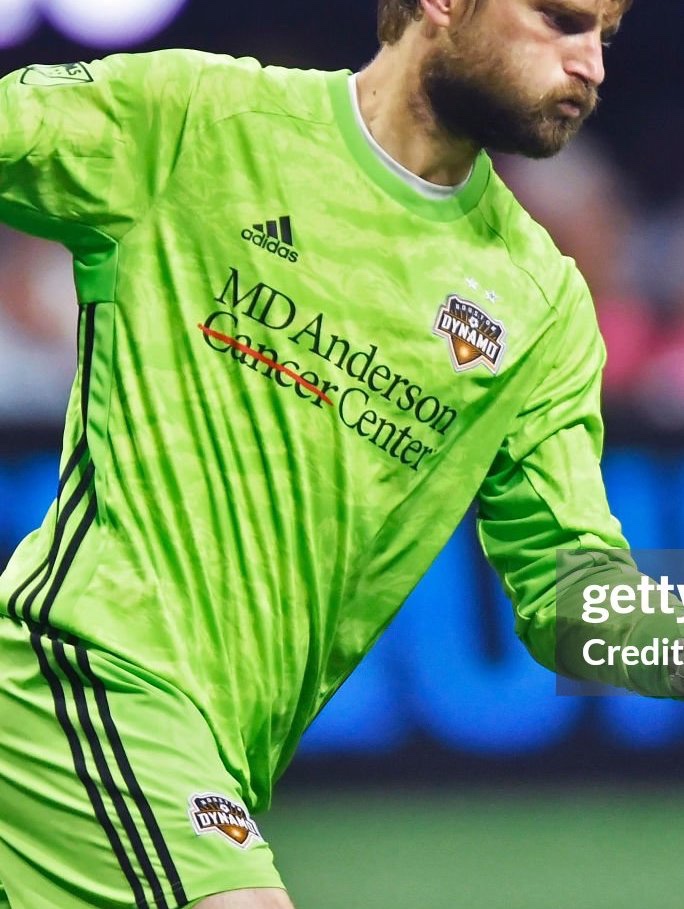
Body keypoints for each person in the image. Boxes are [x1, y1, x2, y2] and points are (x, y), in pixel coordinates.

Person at [1, 1, 675, 907]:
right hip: (77, 675)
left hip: (223, 752)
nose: (590, 63)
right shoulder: (198, 120)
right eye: (561, 20)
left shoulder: (540, 301)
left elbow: (569, 592)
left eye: (605, 37)